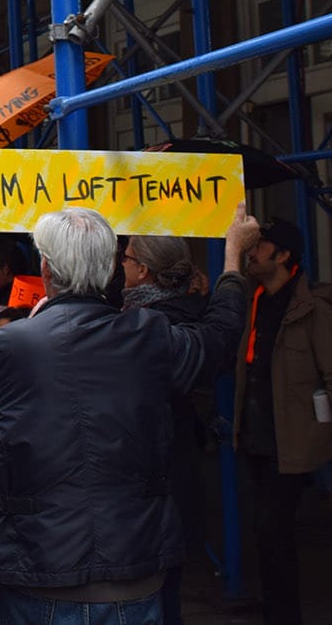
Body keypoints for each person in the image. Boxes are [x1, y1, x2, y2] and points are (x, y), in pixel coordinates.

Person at [0, 204, 258, 624]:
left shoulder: (6, 347)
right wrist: (233, 259)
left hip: (39, 566)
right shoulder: (149, 335)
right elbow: (219, 338)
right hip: (133, 567)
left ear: (46, 269)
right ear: (111, 267)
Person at [234, 217, 332, 625]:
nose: (252, 250)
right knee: (266, 536)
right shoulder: (252, 301)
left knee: (271, 531)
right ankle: (278, 611)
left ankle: (283, 616)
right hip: (256, 439)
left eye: (261, 245)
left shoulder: (314, 311)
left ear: (283, 256)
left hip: (292, 443)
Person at [120, 234, 216, 625]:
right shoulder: (186, 311)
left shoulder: (150, 326)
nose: (119, 265)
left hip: (156, 476)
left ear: (142, 270)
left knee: (155, 591)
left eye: (125, 258)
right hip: (171, 473)